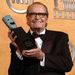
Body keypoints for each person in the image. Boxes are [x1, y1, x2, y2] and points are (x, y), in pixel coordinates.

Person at [8, 2, 73, 75]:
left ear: (46, 18)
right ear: (27, 18)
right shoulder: (18, 41)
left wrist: (43, 56)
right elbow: (12, 73)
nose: (37, 17)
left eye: (42, 14)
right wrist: (18, 51)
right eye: (32, 14)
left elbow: (67, 65)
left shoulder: (60, 37)